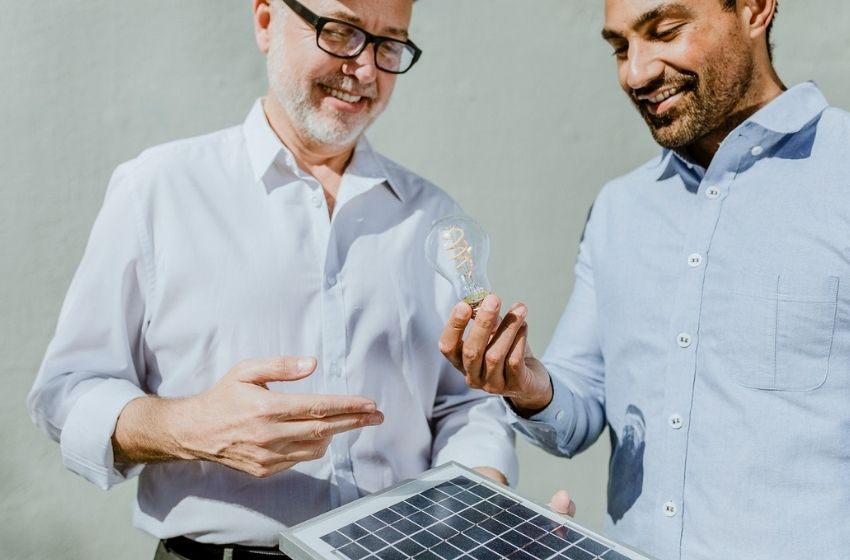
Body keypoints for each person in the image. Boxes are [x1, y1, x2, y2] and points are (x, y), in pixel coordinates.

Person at [27, 0, 517, 558]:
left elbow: (465, 404)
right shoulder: (156, 191)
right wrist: (188, 425)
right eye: (339, 31)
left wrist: (484, 500)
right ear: (265, 22)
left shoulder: (433, 217)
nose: (364, 69)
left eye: (389, 44)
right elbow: (66, 393)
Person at [440, 0, 850, 558]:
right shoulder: (618, 209)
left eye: (665, 31)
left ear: (754, 10)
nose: (636, 72)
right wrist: (528, 387)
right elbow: (578, 410)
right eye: (620, 47)